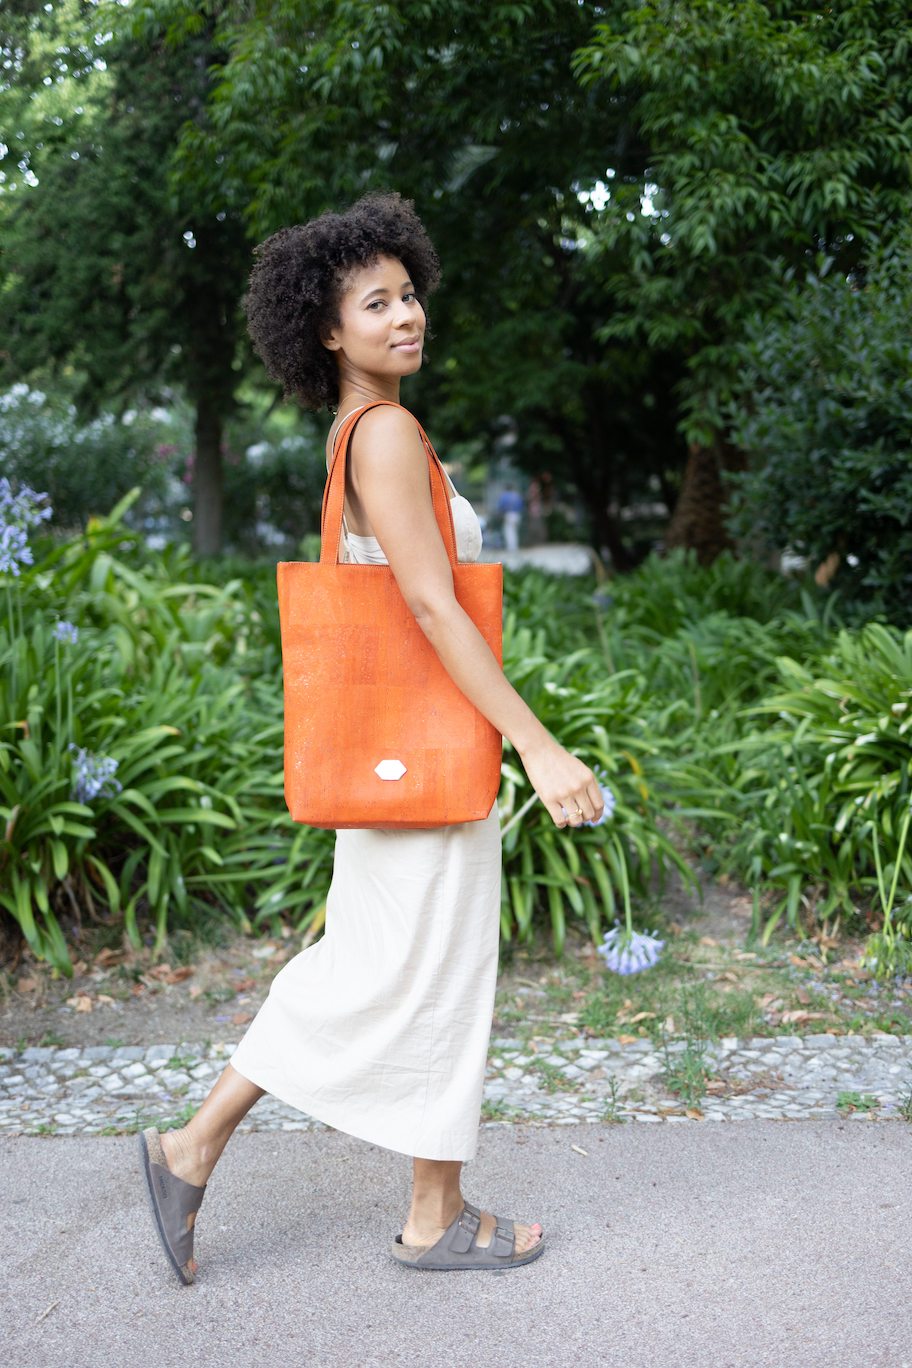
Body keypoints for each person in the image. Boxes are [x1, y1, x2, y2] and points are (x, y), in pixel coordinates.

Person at [138, 192, 604, 1282]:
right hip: (429, 758)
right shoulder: (385, 433)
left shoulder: (367, 433)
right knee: (384, 973)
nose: (405, 317)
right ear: (327, 330)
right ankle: (191, 1146)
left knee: (427, 973)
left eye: (408, 296)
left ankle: (433, 1212)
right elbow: (436, 609)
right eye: (374, 302)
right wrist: (540, 747)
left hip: (412, 753)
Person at [497, 483, 524, 551]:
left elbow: (501, 507)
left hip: (508, 514)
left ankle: (511, 548)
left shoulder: (504, 496)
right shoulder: (517, 495)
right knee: (514, 532)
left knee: (509, 532)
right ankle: (515, 546)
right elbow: (521, 505)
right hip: (517, 514)